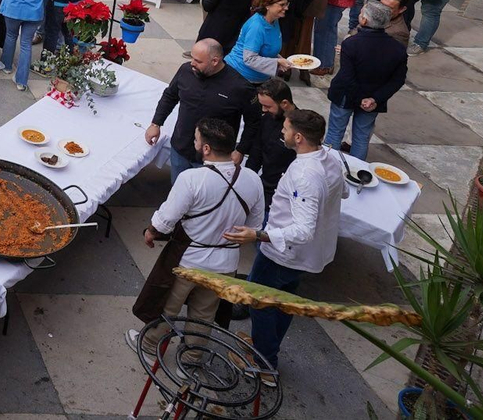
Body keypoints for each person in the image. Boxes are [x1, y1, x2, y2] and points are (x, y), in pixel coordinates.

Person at [224, 109, 345, 380]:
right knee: (283, 302)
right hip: (304, 255)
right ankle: (267, 348)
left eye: (286, 129)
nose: (282, 131)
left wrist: (256, 235)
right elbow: (343, 190)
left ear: (299, 137)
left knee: (261, 302)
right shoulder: (330, 159)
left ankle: (264, 365)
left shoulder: (305, 175)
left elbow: (303, 230)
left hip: (284, 253)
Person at [130, 117, 264, 356]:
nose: (194, 141)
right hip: (226, 264)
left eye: (196, 139)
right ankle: (192, 357)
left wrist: (151, 232)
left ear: (206, 148)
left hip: (189, 260)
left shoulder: (192, 179)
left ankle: (150, 344)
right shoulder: (253, 179)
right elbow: (253, 226)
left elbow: (167, 218)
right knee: (204, 313)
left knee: (167, 306)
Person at [148, 38, 260, 183]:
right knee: (179, 191)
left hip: (214, 160)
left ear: (215, 61)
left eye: (198, 61)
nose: (192, 64)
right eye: (192, 58)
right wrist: (156, 123)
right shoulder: (186, 71)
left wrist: (241, 150)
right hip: (180, 149)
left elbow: (254, 122)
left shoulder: (240, 88)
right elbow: (170, 96)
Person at [326, 1, 406, 158]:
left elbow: (348, 77)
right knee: (361, 138)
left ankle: (327, 170)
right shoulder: (398, 49)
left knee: (335, 133)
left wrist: (362, 98)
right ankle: (355, 176)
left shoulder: (351, 44)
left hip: (346, 96)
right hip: (373, 101)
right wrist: (374, 99)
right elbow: (398, 80)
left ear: (364, 21)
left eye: (361, 14)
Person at [247, 78, 298, 206]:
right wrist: (247, 178)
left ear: (284, 103)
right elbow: (256, 150)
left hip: (283, 194)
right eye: (262, 105)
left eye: (268, 106)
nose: (264, 110)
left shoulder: (300, 128)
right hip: (263, 184)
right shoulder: (267, 119)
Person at [227, 0, 291, 83]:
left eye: (287, 4)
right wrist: (276, 62)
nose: (286, 8)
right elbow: (249, 59)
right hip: (241, 76)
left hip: (259, 77)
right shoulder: (256, 27)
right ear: (267, 6)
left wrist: (280, 60)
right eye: (282, 5)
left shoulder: (274, 20)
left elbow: (266, 48)